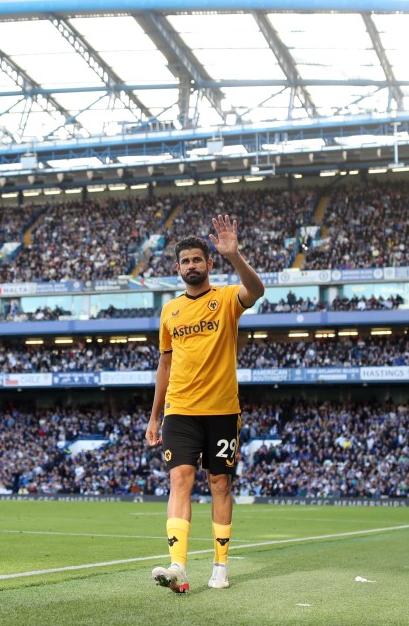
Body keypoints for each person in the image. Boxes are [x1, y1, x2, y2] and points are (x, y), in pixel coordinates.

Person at [146, 214, 265, 594]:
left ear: (209, 263)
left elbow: (257, 290)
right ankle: (178, 564)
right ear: (177, 267)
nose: (192, 265)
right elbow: (164, 364)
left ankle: (220, 564)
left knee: (219, 484)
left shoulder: (227, 298)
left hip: (222, 409)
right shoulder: (169, 311)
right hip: (179, 409)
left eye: (199, 259)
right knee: (179, 479)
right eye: (186, 261)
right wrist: (153, 416)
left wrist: (236, 256)